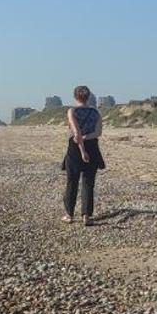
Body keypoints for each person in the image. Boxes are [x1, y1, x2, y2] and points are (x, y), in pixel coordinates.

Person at [62, 85, 105, 225]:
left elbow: (76, 133)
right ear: (88, 97)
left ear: (75, 96)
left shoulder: (72, 111)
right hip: (93, 146)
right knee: (88, 182)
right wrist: (87, 138)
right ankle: (86, 215)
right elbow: (98, 133)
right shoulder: (96, 112)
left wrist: (82, 151)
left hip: (75, 148)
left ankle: (69, 215)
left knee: (72, 181)